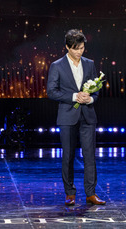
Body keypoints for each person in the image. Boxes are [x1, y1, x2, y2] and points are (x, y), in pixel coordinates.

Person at [47, 29, 106, 206]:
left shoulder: (89, 64)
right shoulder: (57, 66)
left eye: (82, 47)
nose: (79, 51)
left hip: (87, 116)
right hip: (67, 117)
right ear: (67, 47)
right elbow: (52, 91)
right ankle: (70, 193)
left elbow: (96, 90)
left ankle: (91, 193)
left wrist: (90, 98)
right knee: (68, 156)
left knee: (89, 156)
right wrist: (74, 97)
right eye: (76, 48)